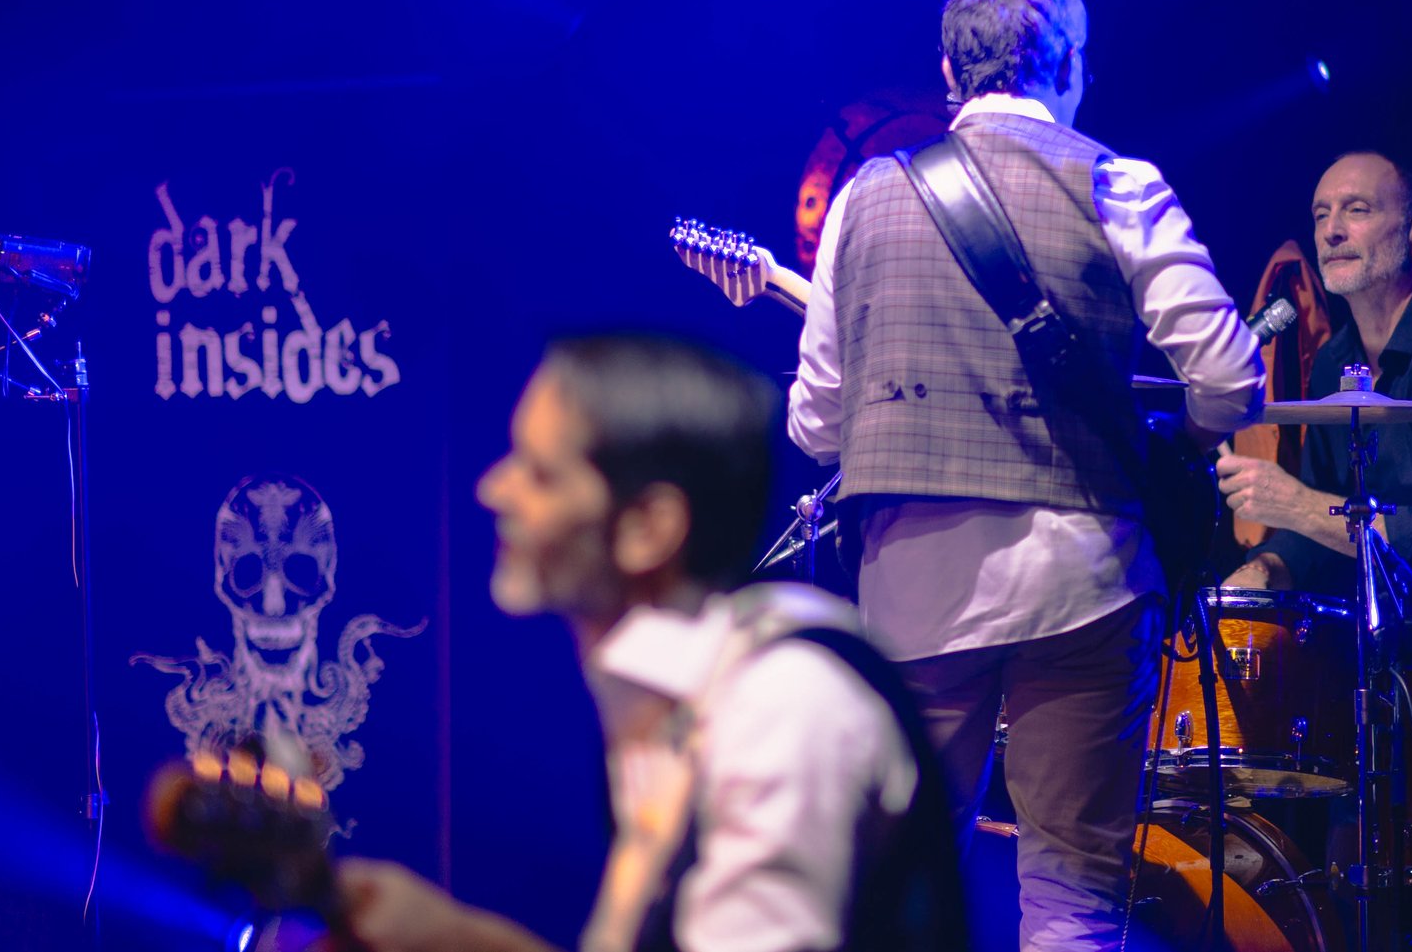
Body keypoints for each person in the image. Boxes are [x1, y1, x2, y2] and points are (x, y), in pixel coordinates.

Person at [787, 0, 1263, 952]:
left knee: (899, 899)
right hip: (1082, 581)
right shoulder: (1117, 184)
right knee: (1074, 899)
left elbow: (815, 428)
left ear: (949, 73)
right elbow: (1229, 381)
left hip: (912, 588)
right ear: (1073, 66)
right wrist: (1179, 437)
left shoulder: (862, 200)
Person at [335, 334, 965, 952]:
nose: (494, 489)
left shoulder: (782, 704)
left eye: (541, 474)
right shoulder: (668, 689)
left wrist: (455, 942)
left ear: (648, 528)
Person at [1219, 149, 1412, 598]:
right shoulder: (1332, 363)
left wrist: (1301, 507)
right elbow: (1321, 527)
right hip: (1367, 648)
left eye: (1357, 210)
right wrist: (1267, 568)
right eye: (1320, 215)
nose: (1331, 231)